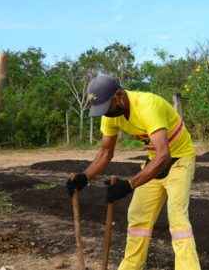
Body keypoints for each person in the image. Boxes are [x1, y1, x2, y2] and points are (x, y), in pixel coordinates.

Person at [67, 75, 201, 270]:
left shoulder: (147, 105)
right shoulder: (110, 116)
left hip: (179, 159)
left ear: (119, 96)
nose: (106, 114)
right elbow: (106, 152)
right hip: (154, 160)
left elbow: (164, 155)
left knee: (177, 220)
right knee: (138, 215)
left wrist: (129, 184)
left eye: (107, 107)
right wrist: (85, 177)